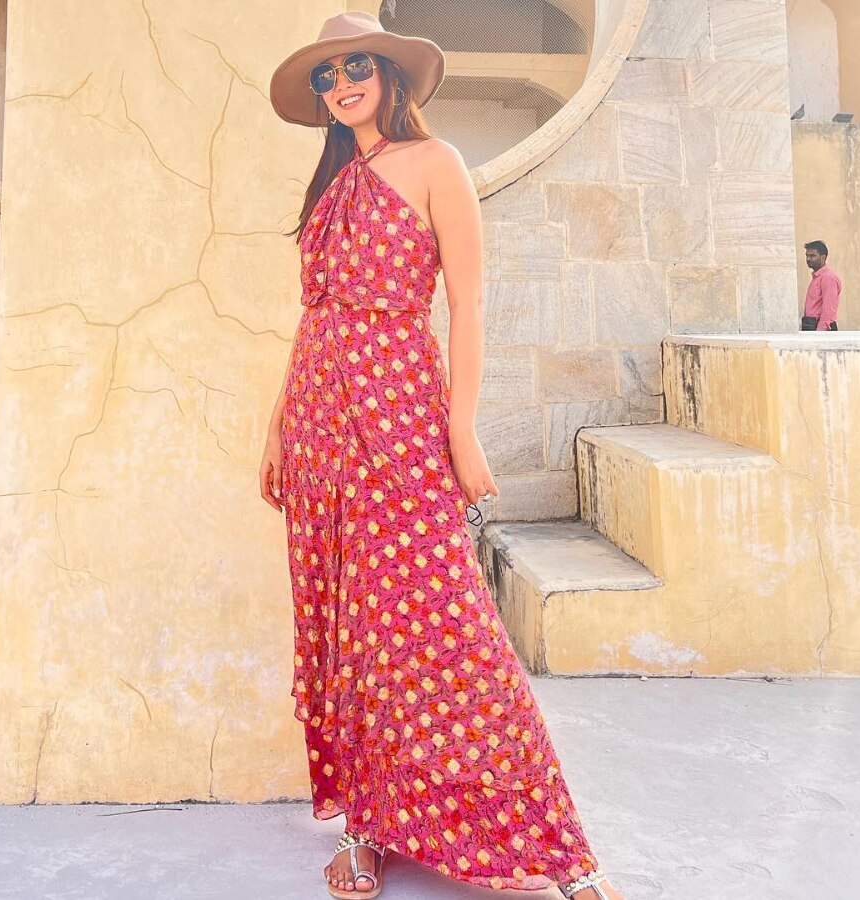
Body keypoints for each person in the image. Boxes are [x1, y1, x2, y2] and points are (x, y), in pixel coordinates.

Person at [257, 11, 624, 900]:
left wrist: (460, 427)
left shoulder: (437, 164)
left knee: (446, 624)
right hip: (319, 417)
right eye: (326, 76)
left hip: (401, 412)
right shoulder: (334, 179)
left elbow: (467, 305)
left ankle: (558, 854)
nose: (341, 85)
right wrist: (276, 427)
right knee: (349, 625)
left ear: (388, 74)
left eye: (354, 68)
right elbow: (315, 318)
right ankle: (365, 825)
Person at [803, 240, 842, 331]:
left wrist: (820, 334)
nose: (808, 259)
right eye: (807, 256)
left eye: (812, 256)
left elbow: (829, 309)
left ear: (823, 257)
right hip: (811, 324)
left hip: (820, 329)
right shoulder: (817, 277)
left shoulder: (828, 277)